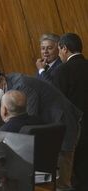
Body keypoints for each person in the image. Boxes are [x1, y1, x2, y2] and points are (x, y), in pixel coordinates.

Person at [0, 66, 82, 190]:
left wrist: (1, 137)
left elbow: (27, 120)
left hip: (62, 122)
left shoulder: (22, 86)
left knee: (61, 179)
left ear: (1, 79)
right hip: (46, 126)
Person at [53, 33, 88, 191]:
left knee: (76, 170)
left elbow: (59, 103)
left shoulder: (62, 70)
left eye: (59, 50)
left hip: (74, 127)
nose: (59, 55)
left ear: (64, 48)